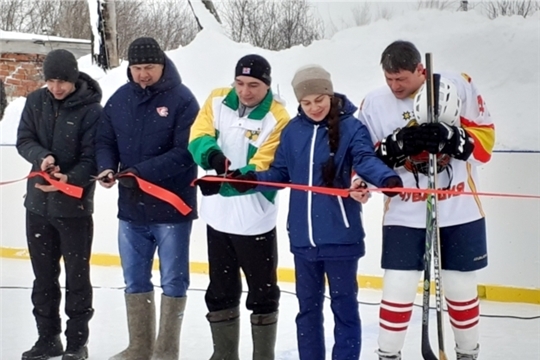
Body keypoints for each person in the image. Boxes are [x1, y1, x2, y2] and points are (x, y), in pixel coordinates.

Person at [229, 64, 403, 360]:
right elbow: (281, 172)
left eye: (319, 100)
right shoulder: (293, 131)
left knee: (344, 309)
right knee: (307, 312)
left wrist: (386, 179)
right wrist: (252, 180)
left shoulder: (351, 127)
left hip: (340, 238)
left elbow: (364, 158)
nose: (314, 107)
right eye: (306, 103)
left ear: (329, 94)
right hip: (303, 241)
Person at [357, 40, 495, 360]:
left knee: (460, 287)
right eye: (389, 79)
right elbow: (363, 158)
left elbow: (486, 143)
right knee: (398, 287)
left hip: (460, 210)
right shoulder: (374, 104)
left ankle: (467, 353)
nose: (394, 87)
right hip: (405, 214)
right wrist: (393, 148)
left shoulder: (457, 86)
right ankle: (388, 355)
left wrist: (456, 139)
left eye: (401, 79)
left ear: (420, 70)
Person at [94, 37, 200, 360]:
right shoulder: (119, 100)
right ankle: (139, 347)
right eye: (137, 68)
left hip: (171, 209)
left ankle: (166, 351)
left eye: (148, 68)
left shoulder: (183, 100)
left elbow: (185, 153)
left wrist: (139, 172)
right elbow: (104, 140)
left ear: (162, 64)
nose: (142, 74)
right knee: (135, 278)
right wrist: (107, 167)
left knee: (173, 280)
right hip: (130, 211)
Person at [189, 54, 290, 360]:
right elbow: (199, 135)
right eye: (240, 83)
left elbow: (263, 165)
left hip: (253, 219)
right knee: (220, 289)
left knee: (262, 293)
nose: (245, 91)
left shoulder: (278, 117)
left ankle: (263, 356)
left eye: (254, 85)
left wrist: (230, 181)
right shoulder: (217, 99)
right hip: (217, 218)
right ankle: (224, 354)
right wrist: (213, 159)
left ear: (267, 85)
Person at [16, 49, 102, 360]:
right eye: (51, 80)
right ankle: (47, 338)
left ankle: (77, 343)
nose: (56, 87)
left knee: (77, 277)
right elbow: (23, 139)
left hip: (73, 209)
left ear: (74, 78)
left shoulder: (92, 111)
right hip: (37, 207)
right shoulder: (35, 102)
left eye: (62, 81)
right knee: (43, 276)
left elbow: (93, 157)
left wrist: (69, 178)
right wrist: (43, 157)